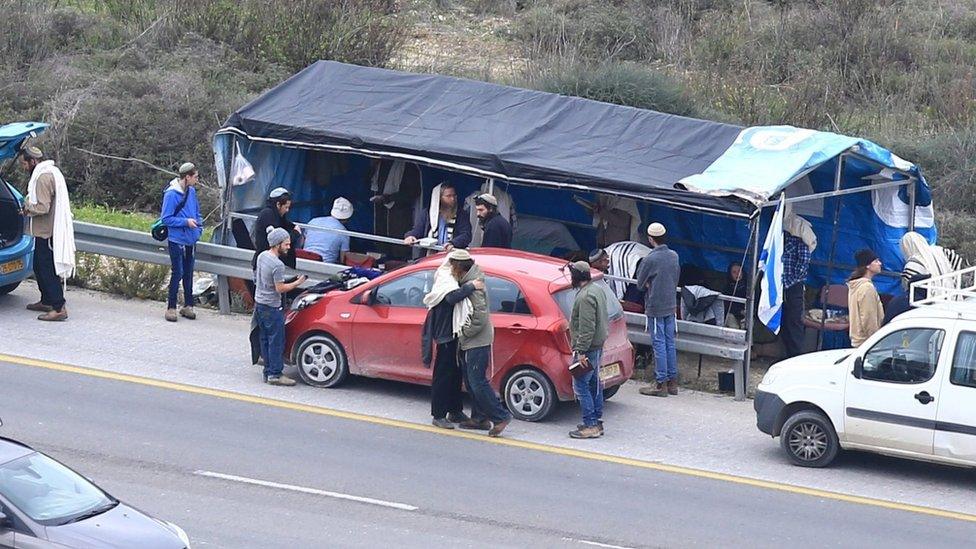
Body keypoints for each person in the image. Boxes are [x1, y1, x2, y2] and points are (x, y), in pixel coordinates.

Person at [448, 249, 512, 437]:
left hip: (477, 340)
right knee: (470, 380)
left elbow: (480, 318)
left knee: (477, 381)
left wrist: (464, 333)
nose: (451, 270)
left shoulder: (473, 287)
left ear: (459, 268)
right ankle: (479, 418)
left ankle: (500, 416)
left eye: (453, 266)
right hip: (473, 340)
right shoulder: (470, 280)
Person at [421, 257, 485, 429]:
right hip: (445, 335)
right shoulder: (446, 279)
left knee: (455, 375)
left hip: (454, 333)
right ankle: (439, 414)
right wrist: (471, 286)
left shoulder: (452, 277)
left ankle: (455, 410)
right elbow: (450, 298)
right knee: (443, 375)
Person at [19, 146, 74, 322]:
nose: (23, 167)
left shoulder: (42, 178)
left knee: (47, 269)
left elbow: (43, 207)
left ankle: (59, 307)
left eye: (24, 163)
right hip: (46, 230)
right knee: (38, 266)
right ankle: (47, 300)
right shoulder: (51, 171)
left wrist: (27, 209)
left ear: (33, 161)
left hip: (47, 232)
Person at [254, 227, 307, 386]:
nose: (289, 247)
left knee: (265, 339)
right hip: (272, 306)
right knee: (277, 341)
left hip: (260, 304)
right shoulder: (278, 265)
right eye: (286, 244)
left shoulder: (262, 256)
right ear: (277, 244)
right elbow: (279, 288)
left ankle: (267, 371)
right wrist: (297, 283)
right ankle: (275, 374)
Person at [636, 223, 680, 398]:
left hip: (655, 305)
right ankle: (672, 382)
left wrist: (649, 284)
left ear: (650, 238)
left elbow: (640, 284)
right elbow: (675, 277)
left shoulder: (650, 259)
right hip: (670, 304)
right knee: (670, 343)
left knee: (659, 344)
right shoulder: (674, 256)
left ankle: (660, 383)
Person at [567, 261, 608, 439]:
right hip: (597, 345)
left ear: (577, 276)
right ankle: (597, 421)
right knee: (594, 383)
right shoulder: (597, 289)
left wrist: (581, 351)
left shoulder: (585, 297)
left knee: (581, 385)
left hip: (588, 348)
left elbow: (586, 327)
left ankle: (590, 424)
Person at [161, 162, 203, 322]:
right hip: (176, 240)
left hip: (191, 239)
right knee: (177, 272)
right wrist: (186, 222)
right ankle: (171, 307)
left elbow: (197, 212)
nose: (196, 180)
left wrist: (199, 229)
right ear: (187, 177)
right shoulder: (171, 194)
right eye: (195, 177)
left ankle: (188, 305)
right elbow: (166, 218)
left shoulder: (191, 192)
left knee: (188, 273)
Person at [779, 208, 815, 358]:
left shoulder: (800, 241)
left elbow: (803, 265)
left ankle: (795, 355)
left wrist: (788, 282)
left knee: (794, 321)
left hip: (794, 285)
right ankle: (787, 352)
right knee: (784, 320)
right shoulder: (782, 238)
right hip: (784, 284)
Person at [404, 182, 472, 252]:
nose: (453, 199)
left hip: (452, 254)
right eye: (448, 196)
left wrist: (453, 243)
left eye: (454, 195)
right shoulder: (427, 213)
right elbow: (418, 230)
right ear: (439, 198)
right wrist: (410, 236)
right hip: (430, 254)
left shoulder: (461, 214)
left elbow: (466, 235)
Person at [252, 187, 298, 270]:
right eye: (286, 207)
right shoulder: (267, 215)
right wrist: (295, 233)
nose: (287, 210)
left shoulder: (278, 217)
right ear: (278, 204)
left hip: (271, 264)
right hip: (266, 265)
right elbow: (276, 241)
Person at [848, 249, 884, 347]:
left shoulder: (856, 285)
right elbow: (869, 318)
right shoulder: (866, 287)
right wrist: (875, 342)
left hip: (859, 341)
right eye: (876, 261)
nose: (880, 263)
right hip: (866, 343)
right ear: (868, 265)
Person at [303, 197, 353, 264]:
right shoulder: (343, 232)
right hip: (325, 266)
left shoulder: (313, 221)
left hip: (303, 260)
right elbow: (343, 259)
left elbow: (302, 242)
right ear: (348, 217)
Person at [724, 261, 748, 329]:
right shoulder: (727, 288)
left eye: (739, 271)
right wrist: (739, 311)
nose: (737, 274)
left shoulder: (749, 286)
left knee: (746, 326)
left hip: (746, 315)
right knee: (734, 327)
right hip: (731, 314)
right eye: (734, 272)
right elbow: (726, 305)